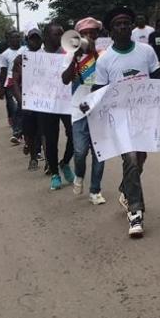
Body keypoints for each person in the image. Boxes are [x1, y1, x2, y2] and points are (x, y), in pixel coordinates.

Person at [84, 5, 160, 238]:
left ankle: (125, 188)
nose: (122, 26)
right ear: (110, 31)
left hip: (144, 117)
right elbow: (99, 91)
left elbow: (157, 77)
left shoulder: (147, 51)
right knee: (130, 159)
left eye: (126, 23)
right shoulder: (105, 60)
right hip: (119, 120)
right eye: (118, 24)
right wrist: (89, 105)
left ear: (131, 26)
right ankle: (135, 212)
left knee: (139, 161)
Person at [61, 17, 107, 205]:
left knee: (100, 152)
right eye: (84, 34)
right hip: (78, 108)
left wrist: (94, 53)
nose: (88, 37)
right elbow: (65, 80)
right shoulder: (71, 55)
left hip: (100, 108)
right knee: (80, 151)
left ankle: (95, 190)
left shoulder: (104, 54)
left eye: (92, 33)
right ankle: (79, 175)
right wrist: (75, 57)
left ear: (97, 35)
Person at [37, 21, 75, 191]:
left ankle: (65, 162)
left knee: (75, 135)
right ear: (46, 36)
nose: (60, 37)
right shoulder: (36, 57)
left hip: (67, 102)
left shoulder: (69, 54)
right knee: (51, 139)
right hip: (46, 104)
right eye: (56, 34)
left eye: (62, 33)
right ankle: (54, 173)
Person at [12, 26, 44, 171]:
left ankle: (45, 157)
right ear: (27, 40)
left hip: (44, 101)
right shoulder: (20, 59)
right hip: (28, 101)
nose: (35, 42)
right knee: (29, 133)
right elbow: (15, 83)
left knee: (44, 132)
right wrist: (21, 102)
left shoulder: (48, 58)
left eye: (37, 38)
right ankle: (32, 157)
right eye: (32, 39)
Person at [0, 30, 25, 144]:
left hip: (24, 82)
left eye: (17, 37)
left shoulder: (26, 50)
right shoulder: (5, 54)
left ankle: (21, 130)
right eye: (13, 38)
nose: (15, 39)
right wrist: (1, 88)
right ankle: (16, 132)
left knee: (21, 107)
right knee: (14, 107)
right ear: (9, 40)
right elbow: (3, 71)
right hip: (10, 83)